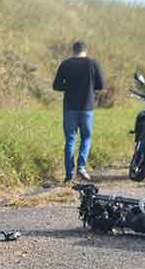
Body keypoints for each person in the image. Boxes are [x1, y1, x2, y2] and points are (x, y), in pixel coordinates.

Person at [52, 41, 104, 182]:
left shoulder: (65, 64)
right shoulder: (93, 64)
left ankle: (69, 175)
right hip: (87, 107)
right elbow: (101, 85)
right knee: (86, 138)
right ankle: (81, 167)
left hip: (70, 108)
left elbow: (56, 86)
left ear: (73, 51)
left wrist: (69, 86)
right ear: (85, 51)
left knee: (70, 140)